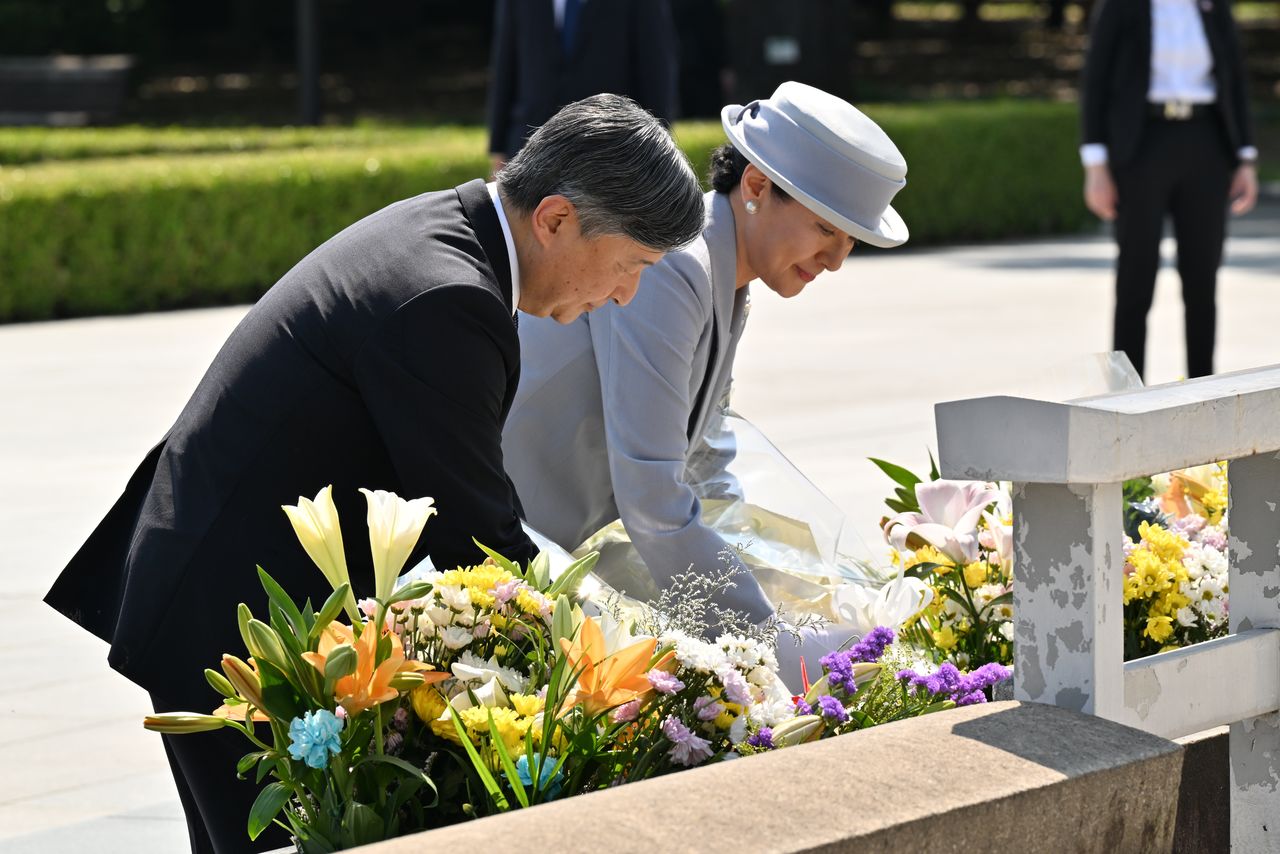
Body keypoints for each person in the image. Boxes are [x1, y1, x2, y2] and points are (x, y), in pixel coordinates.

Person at [43, 93, 704, 854]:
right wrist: (608, 670)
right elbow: (477, 539)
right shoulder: (448, 296)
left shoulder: (452, 236)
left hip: (225, 584)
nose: (623, 296)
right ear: (555, 219)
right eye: (632, 266)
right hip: (235, 622)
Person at [502, 81, 909, 630]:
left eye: (852, 240)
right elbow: (652, 495)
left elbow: (706, 463)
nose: (836, 259)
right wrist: (770, 639)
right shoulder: (678, 264)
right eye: (825, 228)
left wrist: (797, 579)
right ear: (757, 185)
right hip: (505, 546)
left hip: (556, 550)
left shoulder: (724, 273)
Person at [1081, 0, 1258, 380]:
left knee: (1202, 278)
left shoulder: (1211, 6)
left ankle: (1203, 389)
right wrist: (1095, 165)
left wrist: (1245, 158)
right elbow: (1095, 81)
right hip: (1142, 145)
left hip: (1206, 142)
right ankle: (1124, 397)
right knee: (1135, 277)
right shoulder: (1120, 7)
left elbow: (1234, 79)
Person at [486, 0, 678, 176]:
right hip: (526, 143)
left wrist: (657, 154)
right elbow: (505, 66)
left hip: (609, 148)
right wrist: (498, 150)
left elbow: (656, 70)